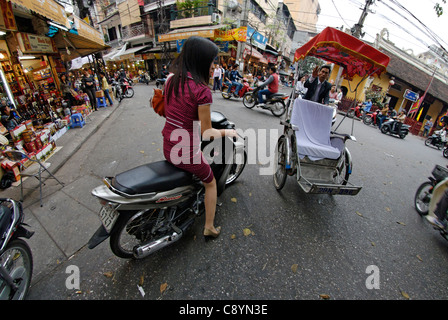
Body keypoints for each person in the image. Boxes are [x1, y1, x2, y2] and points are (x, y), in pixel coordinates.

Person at [162, 36, 237, 239]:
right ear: (201, 61)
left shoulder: (171, 80)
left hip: (168, 144)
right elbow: (207, 133)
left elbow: (173, 111)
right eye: (212, 61)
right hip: (186, 153)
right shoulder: (202, 91)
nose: (214, 66)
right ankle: (210, 227)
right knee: (210, 183)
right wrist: (228, 132)